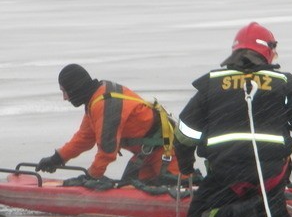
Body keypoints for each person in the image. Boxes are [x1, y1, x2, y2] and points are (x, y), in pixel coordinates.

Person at [174, 22, 292, 217]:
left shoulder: (212, 85)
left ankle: (242, 214)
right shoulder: (284, 85)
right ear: (268, 51)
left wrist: (186, 165)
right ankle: (261, 214)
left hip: (224, 176)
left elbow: (184, 135)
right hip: (271, 177)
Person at [36, 64, 182, 188]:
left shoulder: (104, 104)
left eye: (64, 91)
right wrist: (57, 159)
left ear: (75, 87)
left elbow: (107, 150)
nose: (64, 98)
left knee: (182, 190)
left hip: (168, 152)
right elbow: (84, 138)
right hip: (147, 154)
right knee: (128, 192)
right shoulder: (96, 99)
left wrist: (92, 176)